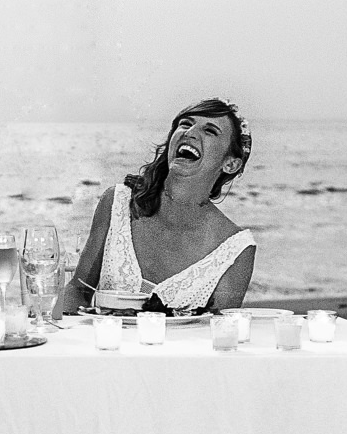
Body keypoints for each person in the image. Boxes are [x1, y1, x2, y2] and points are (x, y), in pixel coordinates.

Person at [60, 98, 256, 315]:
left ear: (230, 164)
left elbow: (219, 333)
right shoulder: (118, 203)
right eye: (185, 124)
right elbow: (78, 291)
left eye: (210, 131)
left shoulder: (236, 250)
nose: (189, 132)